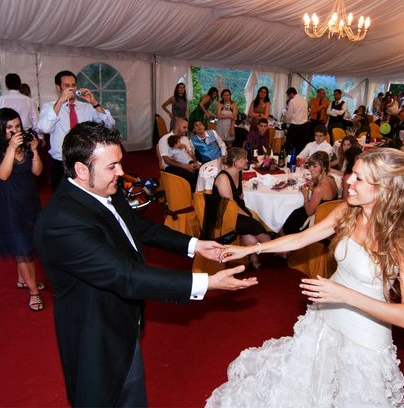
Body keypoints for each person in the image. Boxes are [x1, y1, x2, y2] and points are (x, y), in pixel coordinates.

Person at [34, 122, 257, 407]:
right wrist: (208, 282)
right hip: (95, 334)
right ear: (80, 170)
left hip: (125, 321)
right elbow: (124, 275)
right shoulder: (61, 223)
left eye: (120, 163)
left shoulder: (105, 187)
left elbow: (138, 226)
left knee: (133, 396)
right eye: (112, 166)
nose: (121, 173)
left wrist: (195, 245)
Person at [207, 148, 404, 407]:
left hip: (363, 335)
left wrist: (345, 295)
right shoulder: (348, 213)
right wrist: (252, 248)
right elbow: (300, 238)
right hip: (326, 316)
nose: (348, 181)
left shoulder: (400, 238)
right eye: (352, 173)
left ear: (384, 188)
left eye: (359, 178)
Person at [0, 108, 44, 311]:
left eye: (17, 126)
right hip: (9, 203)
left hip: (29, 199)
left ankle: (22, 279)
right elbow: (2, 174)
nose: (14, 130)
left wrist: (34, 150)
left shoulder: (25, 144)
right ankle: (34, 292)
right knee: (21, 247)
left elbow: (37, 171)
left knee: (30, 240)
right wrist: (10, 149)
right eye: (9, 127)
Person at [38, 70, 115, 191]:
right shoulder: (50, 107)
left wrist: (94, 102)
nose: (71, 89)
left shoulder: (87, 107)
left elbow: (109, 125)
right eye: (67, 86)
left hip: (85, 160)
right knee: (61, 199)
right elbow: (45, 128)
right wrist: (60, 102)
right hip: (61, 163)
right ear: (58, 88)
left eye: (73, 85)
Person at [205, 147, 271, 270]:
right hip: (223, 215)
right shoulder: (224, 177)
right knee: (255, 225)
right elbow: (230, 206)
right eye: (244, 159)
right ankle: (275, 249)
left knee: (250, 231)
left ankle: (253, 258)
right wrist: (247, 215)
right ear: (235, 161)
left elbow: (239, 196)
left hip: (236, 209)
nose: (247, 161)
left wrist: (246, 211)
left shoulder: (238, 172)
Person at [281, 151, 338, 235]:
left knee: (286, 216)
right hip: (328, 217)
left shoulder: (319, 189)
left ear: (324, 167)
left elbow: (309, 212)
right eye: (310, 166)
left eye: (315, 166)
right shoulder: (331, 179)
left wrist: (306, 195)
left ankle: (285, 242)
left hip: (317, 221)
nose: (311, 169)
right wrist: (313, 187)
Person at [158, 118, 198, 190]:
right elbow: (166, 160)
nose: (186, 130)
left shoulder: (185, 139)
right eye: (184, 127)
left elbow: (191, 155)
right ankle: (192, 196)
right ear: (177, 127)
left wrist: (195, 163)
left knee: (202, 172)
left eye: (187, 128)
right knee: (191, 177)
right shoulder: (165, 139)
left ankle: (199, 194)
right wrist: (184, 166)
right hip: (171, 166)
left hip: (187, 163)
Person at [283, 87, 309, 156]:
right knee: (301, 146)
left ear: (291, 94)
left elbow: (289, 116)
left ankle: (289, 160)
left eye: (288, 96)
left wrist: (286, 122)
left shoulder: (292, 101)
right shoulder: (304, 100)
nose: (288, 98)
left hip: (295, 127)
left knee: (290, 146)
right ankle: (299, 160)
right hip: (304, 126)